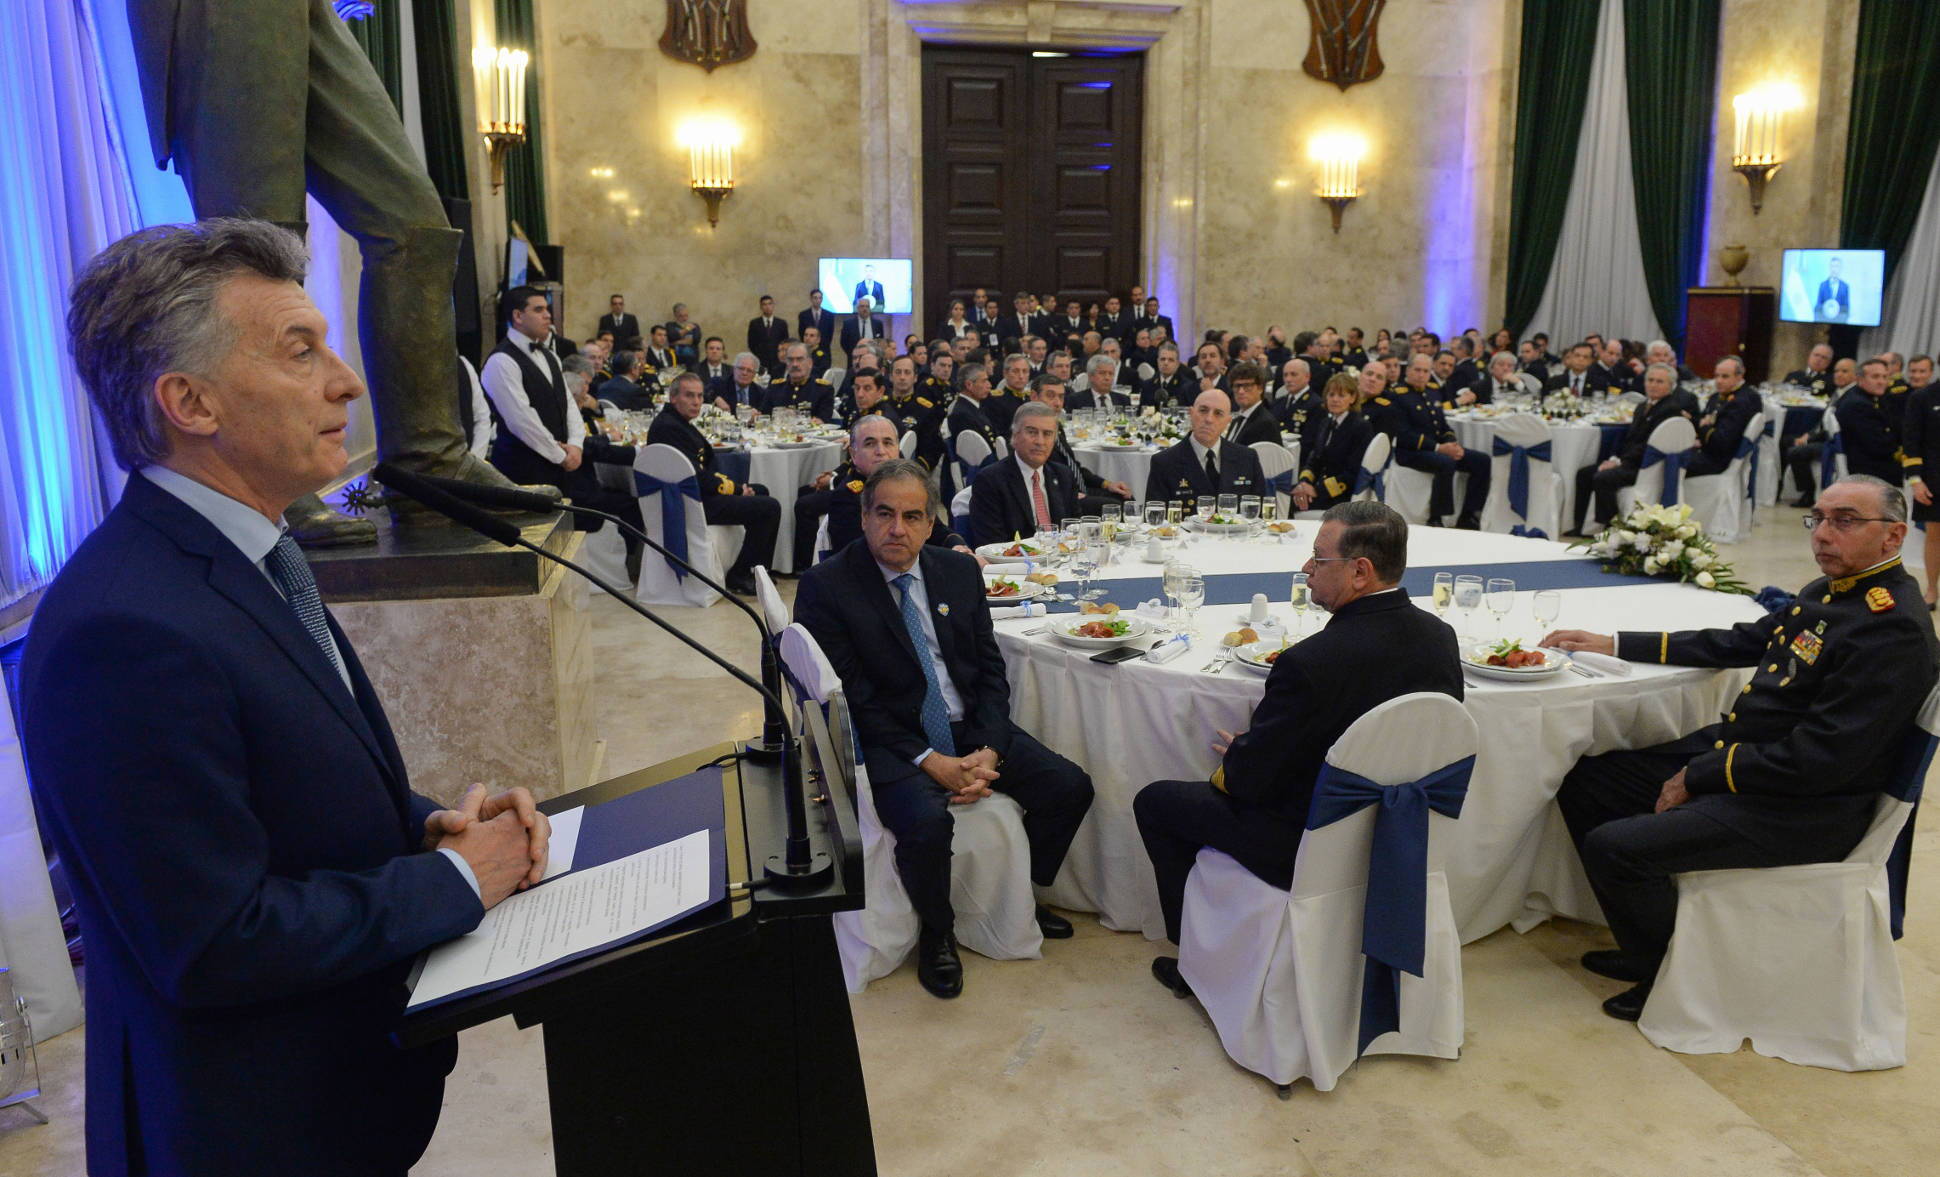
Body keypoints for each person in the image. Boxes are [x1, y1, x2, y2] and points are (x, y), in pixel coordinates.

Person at [32, 217, 549, 1175]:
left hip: (335, 1104)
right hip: (247, 1133)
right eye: (299, 351)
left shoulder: (253, 550)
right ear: (190, 401)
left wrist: (427, 826)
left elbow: (284, 782)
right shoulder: (123, 628)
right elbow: (210, 939)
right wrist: (451, 881)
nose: (347, 381)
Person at [1544, 475, 1937, 1020]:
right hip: (1757, 760)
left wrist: (1701, 774)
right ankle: (1653, 943)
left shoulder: (1890, 629)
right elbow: (1743, 641)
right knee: (1589, 781)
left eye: (1845, 521)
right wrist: (1616, 643)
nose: (1823, 533)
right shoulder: (1832, 590)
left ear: (1893, 536)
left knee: (1617, 848)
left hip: (1805, 807)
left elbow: (1822, 760)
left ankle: (1672, 978)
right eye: (1819, 518)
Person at [797, 460, 1094, 997]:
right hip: (892, 739)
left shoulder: (958, 571)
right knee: (927, 825)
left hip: (967, 726)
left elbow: (989, 670)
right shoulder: (828, 586)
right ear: (864, 517)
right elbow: (855, 699)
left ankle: (1018, 895)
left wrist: (989, 748)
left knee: (1069, 787)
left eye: (913, 516)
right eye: (884, 514)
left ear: (931, 523)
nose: (897, 529)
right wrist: (928, 761)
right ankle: (938, 931)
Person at [1135, 502, 1462, 988]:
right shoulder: (1441, 638)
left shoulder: (1310, 661)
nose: (1307, 568)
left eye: (1319, 558)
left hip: (1313, 843)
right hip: (1403, 834)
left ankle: (1200, 965)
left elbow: (1252, 783)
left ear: (1360, 572)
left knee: (1156, 802)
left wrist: (1244, 752)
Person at [482, 286, 646, 538]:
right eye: (539, 309)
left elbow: (568, 405)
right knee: (537, 541)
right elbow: (521, 421)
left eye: (547, 309)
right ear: (517, 316)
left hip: (561, 468)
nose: (547, 315)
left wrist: (576, 446)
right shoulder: (500, 361)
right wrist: (561, 455)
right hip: (524, 469)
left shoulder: (550, 357)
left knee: (565, 540)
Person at [647, 372, 781, 595]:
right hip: (689, 503)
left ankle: (757, 568)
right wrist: (736, 489)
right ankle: (740, 574)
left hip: (696, 494)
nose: (696, 402)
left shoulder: (678, 421)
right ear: (673, 397)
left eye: (700, 396)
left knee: (761, 491)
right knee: (769, 507)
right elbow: (695, 477)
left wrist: (738, 489)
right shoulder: (669, 428)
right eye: (689, 395)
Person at [1570, 362, 1699, 534]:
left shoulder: (1670, 409)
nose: (1653, 385)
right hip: (1629, 461)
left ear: (1671, 386)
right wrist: (1614, 458)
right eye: (1650, 380)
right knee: (1584, 474)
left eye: (1659, 381)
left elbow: (1648, 446)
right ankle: (1580, 526)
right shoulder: (1642, 406)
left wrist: (1619, 463)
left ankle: (1611, 528)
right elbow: (1629, 439)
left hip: (1645, 466)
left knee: (1603, 478)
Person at [1374, 354, 1491, 528]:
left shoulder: (1433, 391)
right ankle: (1437, 518)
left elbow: (1443, 426)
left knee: (1482, 461)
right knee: (1446, 463)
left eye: (1426, 371)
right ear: (1408, 370)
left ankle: (1469, 514)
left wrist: (1452, 443)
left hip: (1438, 448)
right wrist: (1438, 448)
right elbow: (1404, 434)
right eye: (1417, 370)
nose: (1421, 375)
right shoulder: (1397, 395)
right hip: (1411, 452)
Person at [969, 401, 1080, 546]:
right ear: (1015, 435)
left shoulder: (1063, 475)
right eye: (1032, 432)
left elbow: (1074, 530)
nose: (1040, 441)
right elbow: (992, 545)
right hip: (1016, 558)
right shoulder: (990, 481)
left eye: (1047, 434)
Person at [1028, 374, 1134, 510]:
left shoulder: (1056, 426)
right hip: (1056, 496)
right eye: (1050, 396)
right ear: (1034, 396)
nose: (1057, 403)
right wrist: (1068, 493)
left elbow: (1074, 467)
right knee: (1115, 507)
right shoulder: (1029, 432)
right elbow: (1036, 472)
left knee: (1126, 497)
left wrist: (1107, 484)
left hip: (1077, 488)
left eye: (1061, 397)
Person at [1144, 388, 1268, 505]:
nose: (1209, 419)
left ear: (1228, 422)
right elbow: (1155, 517)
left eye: (1218, 413)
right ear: (1191, 413)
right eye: (1203, 410)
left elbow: (1261, 512)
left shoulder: (1247, 458)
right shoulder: (1164, 463)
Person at [1292, 373, 1375, 512]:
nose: (1335, 399)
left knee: (1290, 504)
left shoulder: (1361, 427)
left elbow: (1353, 472)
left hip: (1341, 496)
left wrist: (1317, 490)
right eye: (1331, 395)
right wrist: (1304, 483)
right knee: (1287, 496)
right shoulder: (1325, 423)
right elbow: (1315, 461)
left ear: (1353, 398)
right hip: (1319, 488)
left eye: (1341, 395)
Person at [1687, 356, 1763, 477]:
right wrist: (1691, 420)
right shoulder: (1718, 396)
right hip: (1708, 450)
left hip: (1718, 461)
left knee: (1670, 459)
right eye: (1716, 376)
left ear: (1740, 376)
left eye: (1725, 376)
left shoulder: (1743, 400)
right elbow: (1704, 420)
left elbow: (1721, 443)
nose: (1718, 381)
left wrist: (1703, 428)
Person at [1835, 358, 1906, 484]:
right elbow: (1879, 447)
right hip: (1868, 471)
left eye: (1885, 377)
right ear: (1860, 379)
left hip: (1869, 463)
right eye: (1875, 377)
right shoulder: (1858, 405)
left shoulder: (1863, 396)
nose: (1881, 382)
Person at [764, 341, 835, 420]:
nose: (795, 364)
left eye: (799, 359)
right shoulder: (775, 388)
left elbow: (822, 420)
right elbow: (764, 416)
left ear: (810, 363)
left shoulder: (823, 390)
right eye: (790, 360)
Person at [1224, 362, 1283, 447]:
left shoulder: (1266, 424)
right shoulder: (1237, 419)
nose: (1241, 391)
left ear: (1260, 388)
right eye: (1237, 386)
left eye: (1247, 386)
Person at [1068, 352, 1132, 410]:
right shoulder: (1075, 401)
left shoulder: (1124, 400)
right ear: (1090, 376)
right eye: (1102, 373)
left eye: (1111, 374)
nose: (1107, 378)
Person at [747, 294, 790, 377]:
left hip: (778, 361)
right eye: (764, 304)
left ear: (773, 306)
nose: (767, 307)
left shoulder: (781, 323)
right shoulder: (754, 323)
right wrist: (759, 355)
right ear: (761, 307)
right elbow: (751, 343)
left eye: (770, 304)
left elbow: (785, 342)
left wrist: (781, 355)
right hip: (761, 362)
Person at [1817, 255, 1851, 322]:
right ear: (1829, 268)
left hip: (1840, 323)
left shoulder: (1845, 287)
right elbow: (1818, 307)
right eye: (1832, 266)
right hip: (1824, 322)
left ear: (1840, 268)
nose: (1834, 269)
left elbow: (1846, 308)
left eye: (1836, 266)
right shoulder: (1822, 285)